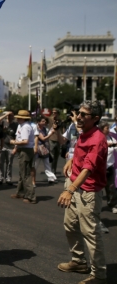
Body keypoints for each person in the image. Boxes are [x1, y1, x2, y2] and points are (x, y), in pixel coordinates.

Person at [57, 100, 108, 284]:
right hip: (75, 184)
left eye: (83, 114)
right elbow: (78, 152)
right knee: (70, 226)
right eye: (79, 112)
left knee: (91, 233)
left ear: (95, 119)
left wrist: (70, 190)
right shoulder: (84, 132)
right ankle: (78, 261)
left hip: (88, 191)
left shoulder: (97, 140)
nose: (78, 116)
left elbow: (88, 169)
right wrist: (71, 160)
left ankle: (99, 275)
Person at [10, 110, 37, 204]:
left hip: (26, 150)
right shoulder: (21, 126)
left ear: (22, 118)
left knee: (25, 174)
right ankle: (20, 192)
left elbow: (25, 141)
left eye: (19, 117)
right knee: (22, 173)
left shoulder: (25, 127)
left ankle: (31, 196)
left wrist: (14, 143)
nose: (17, 118)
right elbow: (19, 137)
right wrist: (16, 147)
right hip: (23, 150)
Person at [98, 121, 117, 214]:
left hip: (110, 166)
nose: (109, 130)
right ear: (101, 129)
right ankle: (96, 206)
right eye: (106, 128)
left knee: (111, 187)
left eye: (109, 128)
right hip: (100, 168)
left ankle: (112, 205)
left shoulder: (111, 137)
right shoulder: (98, 138)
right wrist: (107, 145)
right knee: (98, 189)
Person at [33, 116, 57, 185]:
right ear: (38, 122)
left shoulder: (45, 129)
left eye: (45, 121)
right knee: (35, 165)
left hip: (44, 149)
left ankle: (51, 178)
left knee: (47, 164)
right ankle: (31, 178)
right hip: (38, 148)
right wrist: (51, 134)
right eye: (42, 121)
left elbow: (46, 140)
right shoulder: (37, 129)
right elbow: (43, 138)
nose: (44, 122)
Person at [0, 111, 18, 185]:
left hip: (11, 146)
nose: (9, 117)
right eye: (8, 116)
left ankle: (8, 179)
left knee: (9, 163)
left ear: (13, 116)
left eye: (11, 115)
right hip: (2, 145)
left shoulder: (15, 125)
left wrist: (15, 147)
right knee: (0, 163)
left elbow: (17, 136)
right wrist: (5, 114)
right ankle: (0, 178)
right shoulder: (3, 122)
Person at [48, 108, 64, 174]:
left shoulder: (60, 120)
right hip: (51, 139)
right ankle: (50, 171)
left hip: (58, 140)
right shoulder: (50, 119)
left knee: (56, 157)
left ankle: (53, 171)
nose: (54, 114)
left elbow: (63, 129)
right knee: (51, 156)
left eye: (55, 112)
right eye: (53, 112)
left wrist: (63, 137)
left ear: (58, 113)